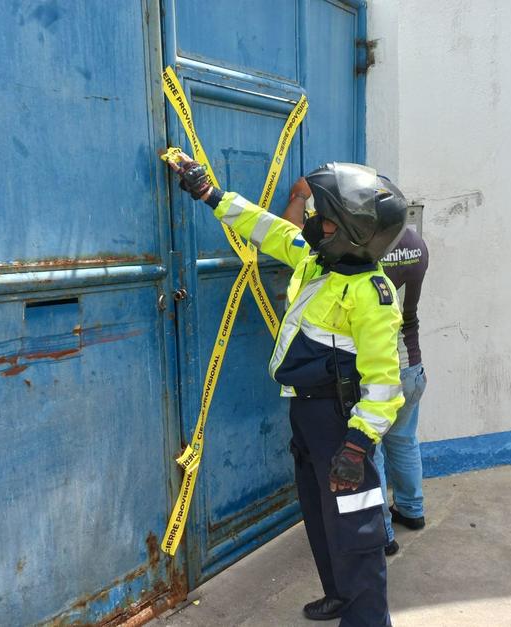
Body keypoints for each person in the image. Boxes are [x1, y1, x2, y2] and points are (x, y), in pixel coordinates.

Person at [168, 155, 407, 627]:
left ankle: (367, 620)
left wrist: (357, 445)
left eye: (326, 219)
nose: (314, 222)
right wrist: (211, 195)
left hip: (343, 425)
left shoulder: (372, 295)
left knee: (356, 529)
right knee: (320, 518)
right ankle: (339, 595)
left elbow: (384, 383)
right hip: (308, 415)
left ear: (352, 233)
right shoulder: (318, 261)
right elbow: (268, 228)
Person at [285, 178, 430, 556]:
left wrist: (299, 197)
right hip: (411, 363)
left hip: (375, 372)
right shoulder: (416, 245)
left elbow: (298, 237)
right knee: (405, 442)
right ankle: (413, 509)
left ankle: (382, 533)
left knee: (369, 454)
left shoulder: (361, 259)